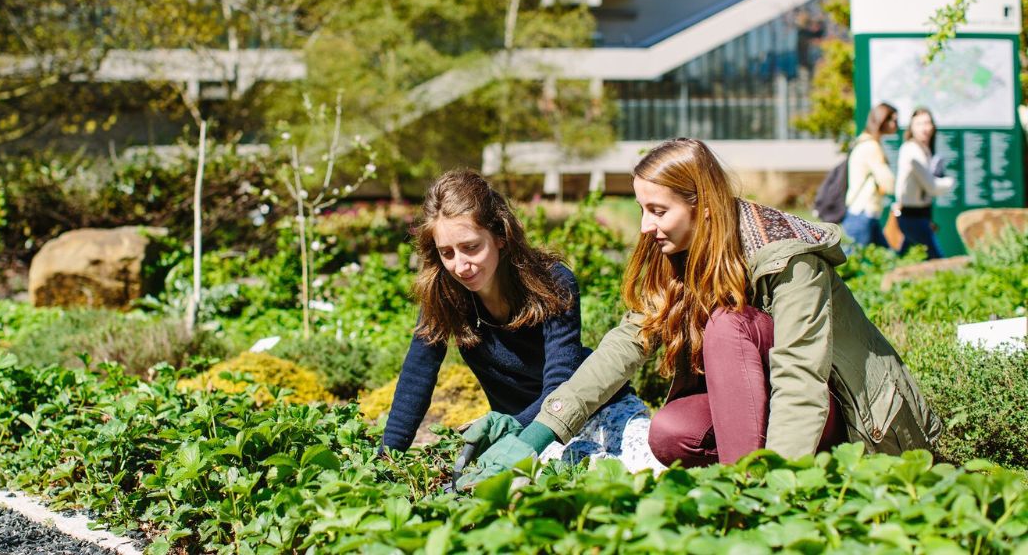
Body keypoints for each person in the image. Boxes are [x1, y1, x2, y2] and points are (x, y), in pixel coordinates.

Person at [458, 138, 940, 478]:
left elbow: (801, 378)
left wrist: (776, 489)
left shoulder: (789, 258)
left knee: (730, 327)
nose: (645, 226)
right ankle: (737, 475)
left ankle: (744, 485)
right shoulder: (679, 253)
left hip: (852, 426)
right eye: (643, 208)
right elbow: (624, 344)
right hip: (778, 413)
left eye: (658, 210)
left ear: (703, 206)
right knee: (671, 433)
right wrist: (542, 431)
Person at [383, 169, 661, 475]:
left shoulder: (552, 282)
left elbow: (561, 384)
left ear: (500, 236)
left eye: (471, 247)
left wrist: (517, 428)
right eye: (446, 253)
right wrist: (387, 458)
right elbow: (417, 376)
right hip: (524, 436)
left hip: (594, 412)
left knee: (647, 471)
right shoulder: (444, 295)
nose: (460, 266)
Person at [894, 108, 956, 260]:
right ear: (911, 127)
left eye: (927, 123)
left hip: (921, 215)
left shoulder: (924, 150)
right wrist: (949, 182)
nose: (924, 128)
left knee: (905, 260)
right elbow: (931, 187)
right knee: (937, 260)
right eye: (919, 123)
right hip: (912, 216)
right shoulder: (912, 150)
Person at [841, 103, 898, 250]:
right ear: (882, 120)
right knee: (850, 265)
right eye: (893, 120)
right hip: (863, 213)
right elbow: (889, 183)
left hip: (863, 214)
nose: (895, 125)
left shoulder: (864, 142)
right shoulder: (872, 147)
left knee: (885, 261)